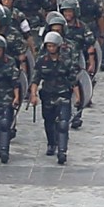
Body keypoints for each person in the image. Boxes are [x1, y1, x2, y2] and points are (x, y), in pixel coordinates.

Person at [30, 31, 80, 164]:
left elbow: (73, 80)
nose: (51, 49)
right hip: (48, 95)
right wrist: (33, 95)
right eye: (49, 46)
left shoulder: (66, 61)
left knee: (63, 124)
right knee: (49, 121)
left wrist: (78, 98)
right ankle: (51, 143)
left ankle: (62, 151)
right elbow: (35, 80)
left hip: (63, 95)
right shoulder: (42, 61)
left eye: (53, 46)